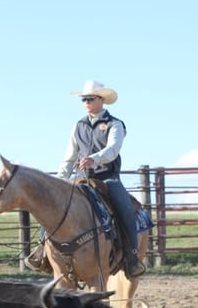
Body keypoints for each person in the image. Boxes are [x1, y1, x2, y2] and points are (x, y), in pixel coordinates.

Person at [25, 79, 146, 278]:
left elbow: (113, 150)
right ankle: (41, 251)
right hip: (81, 179)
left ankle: (132, 256)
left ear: (101, 100)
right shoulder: (78, 126)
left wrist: (94, 159)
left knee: (124, 207)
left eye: (90, 99)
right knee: (53, 206)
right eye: (84, 99)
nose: (86, 102)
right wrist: (58, 181)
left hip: (107, 178)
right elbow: (70, 157)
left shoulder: (115, 124)